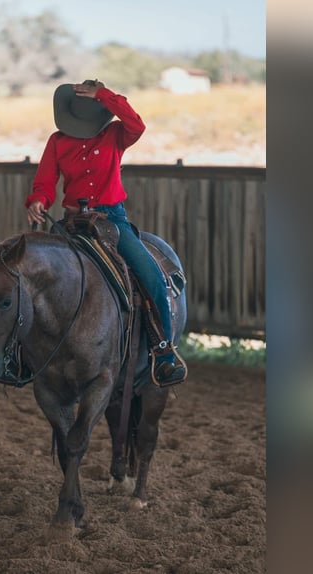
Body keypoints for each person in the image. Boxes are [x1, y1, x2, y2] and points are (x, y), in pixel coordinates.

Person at [25, 79, 186, 385]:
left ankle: (163, 351)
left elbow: (136, 124)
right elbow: (45, 181)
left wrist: (105, 96)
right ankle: (24, 353)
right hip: (73, 219)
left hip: (112, 219)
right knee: (36, 276)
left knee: (149, 274)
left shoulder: (115, 135)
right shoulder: (57, 141)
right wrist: (37, 200)